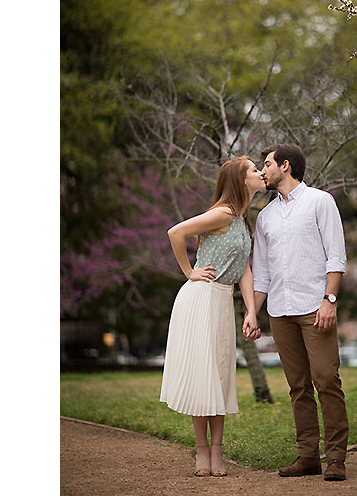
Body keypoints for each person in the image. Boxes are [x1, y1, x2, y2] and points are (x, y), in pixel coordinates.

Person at [159, 156, 264, 477]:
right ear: (241, 180)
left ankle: (217, 451)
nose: (261, 172)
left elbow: (244, 268)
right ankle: (202, 451)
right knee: (204, 376)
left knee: (220, 377)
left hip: (221, 302)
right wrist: (189, 271)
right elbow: (175, 232)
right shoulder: (221, 213)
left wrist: (251, 311)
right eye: (254, 170)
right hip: (200, 298)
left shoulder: (243, 220)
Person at [252, 143, 350, 481]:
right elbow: (261, 271)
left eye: (266, 165)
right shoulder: (265, 217)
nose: (262, 171)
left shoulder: (320, 202)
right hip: (280, 312)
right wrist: (253, 313)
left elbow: (335, 256)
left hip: (315, 307)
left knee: (326, 379)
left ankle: (336, 457)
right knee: (298, 385)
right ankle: (308, 456)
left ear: (286, 166)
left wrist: (329, 300)